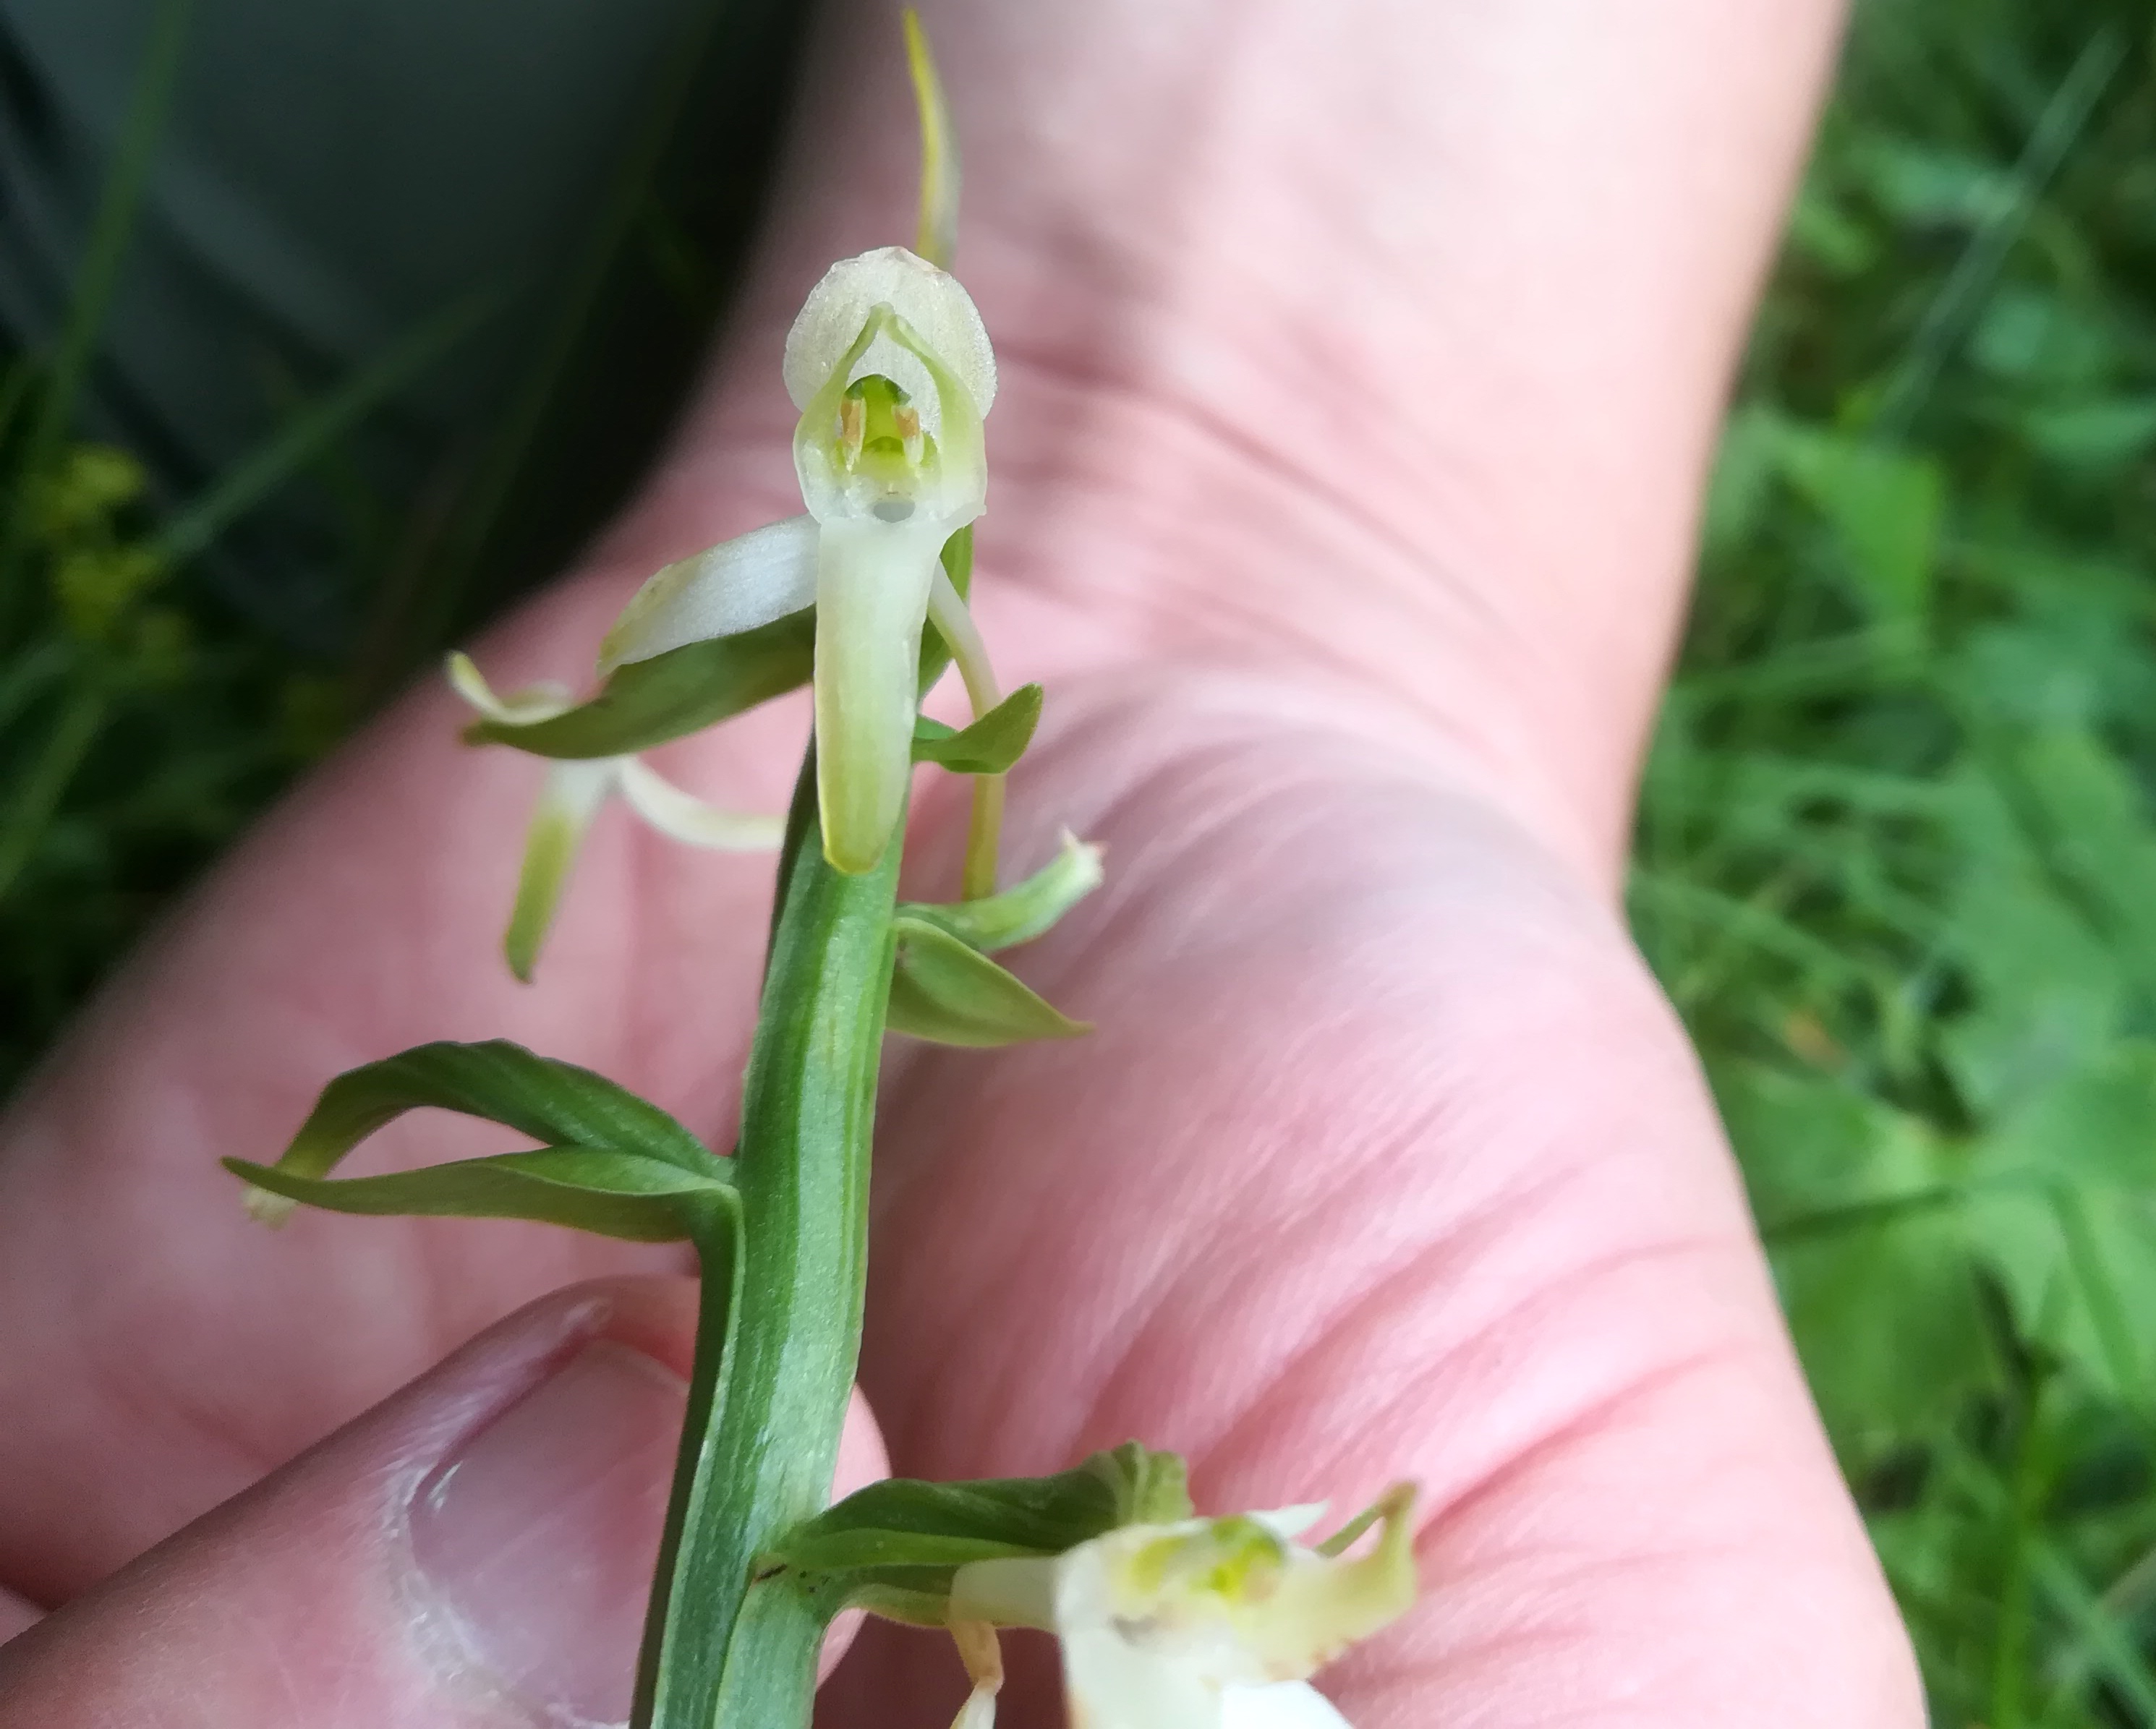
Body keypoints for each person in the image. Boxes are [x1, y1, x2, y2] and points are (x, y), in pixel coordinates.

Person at [0, 0, 1924, 1722]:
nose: (885, 419)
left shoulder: (952, 656)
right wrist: (580, 769)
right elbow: (596, 737)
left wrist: (1235, 631)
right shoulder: (798, 584)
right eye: (860, 401)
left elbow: (927, 758)